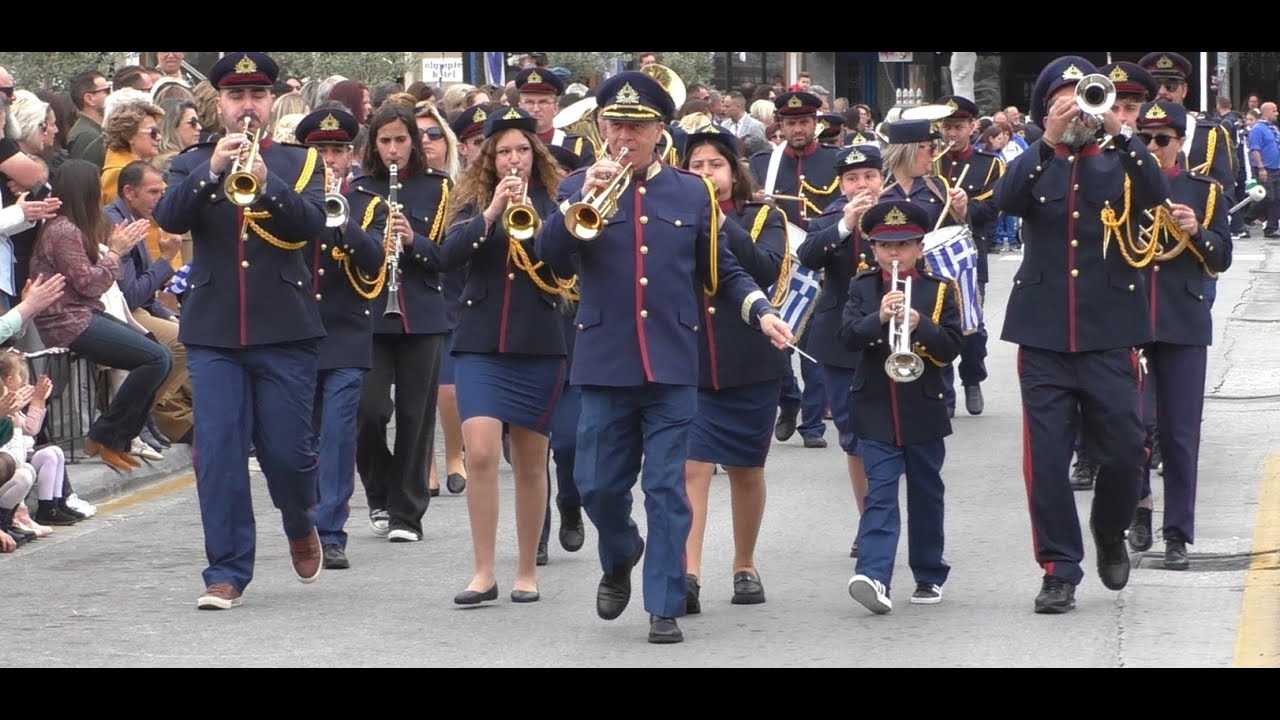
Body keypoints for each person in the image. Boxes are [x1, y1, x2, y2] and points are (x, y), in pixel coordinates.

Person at [535, 71, 795, 645]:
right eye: (617, 124)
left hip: (674, 361)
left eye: (638, 126)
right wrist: (577, 201)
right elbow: (550, 258)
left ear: (659, 131)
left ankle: (664, 602)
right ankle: (622, 548)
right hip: (604, 358)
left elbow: (721, 269)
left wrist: (758, 310)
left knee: (667, 487)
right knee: (597, 483)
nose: (626, 135)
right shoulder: (578, 184)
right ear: (602, 128)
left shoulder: (691, 191)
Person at [153, 52, 328, 610]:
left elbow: (309, 225)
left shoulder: (301, 163)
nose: (246, 106)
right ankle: (226, 571)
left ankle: (300, 520)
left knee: (288, 455)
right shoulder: (190, 163)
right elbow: (171, 219)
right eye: (236, 97)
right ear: (220, 104)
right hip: (214, 332)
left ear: (270, 101)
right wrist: (213, 174)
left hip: (285, 329)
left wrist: (265, 179)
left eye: (256, 96)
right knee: (219, 453)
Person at [994, 56, 1170, 614]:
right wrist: (1045, 142)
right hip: (1044, 333)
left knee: (1124, 450)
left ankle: (1110, 527)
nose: (1075, 107)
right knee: (1045, 463)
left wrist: (1121, 133)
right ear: (1046, 107)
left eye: (1082, 96)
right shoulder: (1035, 160)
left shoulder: (1117, 158)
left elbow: (1156, 194)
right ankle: (1058, 569)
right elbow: (1003, 203)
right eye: (1062, 99)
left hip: (1110, 330)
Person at [440, 107, 571, 604]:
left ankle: (525, 571)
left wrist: (541, 221)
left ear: (534, 153)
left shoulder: (557, 199)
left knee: (532, 462)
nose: (512, 160)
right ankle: (482, 571)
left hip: (538, 341)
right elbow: (448, 256)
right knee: (480, 454)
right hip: (480, 341)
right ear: (489, 159)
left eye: (521, 150)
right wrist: (492, 213)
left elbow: (564, 260)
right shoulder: (472, 200)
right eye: (502, 152)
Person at [680, 123, 790, 612]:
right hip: (691, 359)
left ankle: (744, 563)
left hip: (750, 357)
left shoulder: (764, 215)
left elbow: (764, 269)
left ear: (734, 170)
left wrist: (721, 221)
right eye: (697, 166)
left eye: (715, 165)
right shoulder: (675, 215)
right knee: (692, 467)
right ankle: (688, 573)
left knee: (747, 469)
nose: (707, 174)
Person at [838, 199, 962, 614]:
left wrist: (919, 324)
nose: (895, 255)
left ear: (920, 247)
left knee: (927, 493)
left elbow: (950, 349)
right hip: (874, 405)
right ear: (872, 249)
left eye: (904, 245)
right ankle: (874, 576)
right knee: (880, 494)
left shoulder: (940, 288)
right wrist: (879, 318)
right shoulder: (861, 287)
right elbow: (849, 337)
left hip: (924, 406)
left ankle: (928, 573)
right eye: (886, 247)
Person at [1124, 101, 1232, 569]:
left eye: (1162, 139)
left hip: (1183, 322)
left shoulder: (1203, 191)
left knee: (1181, 433)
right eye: (1145, 139)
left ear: (1180, 143)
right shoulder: (1123, 186)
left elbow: (1222, 256)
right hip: (1129, 320)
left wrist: (1199, 231)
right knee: (1133, 428)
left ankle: (1177, 533)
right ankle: (1141, 507)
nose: (1152, 147)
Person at [347, 103, 451, 544]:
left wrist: (414, 241)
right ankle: (380, 491)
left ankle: (407, 513)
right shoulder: (358, 190)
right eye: (385, 141)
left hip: (422, 315)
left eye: (401, 140)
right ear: (374, 144)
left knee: (415, 416)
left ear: (415, 142)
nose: (393, 150)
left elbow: (446, 256)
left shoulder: (438, 188)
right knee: (367, 411)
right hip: (371, 313)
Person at [294, 108, 384, 570]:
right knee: (299, 440)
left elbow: (374, 262)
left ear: (352, 155)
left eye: (337, 151)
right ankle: (305, 522)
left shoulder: (369, 202)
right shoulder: (291, 198)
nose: (329, 160)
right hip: (298, 330)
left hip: (347, 331)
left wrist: (342, 222)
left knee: (338, 435)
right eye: (320, 151)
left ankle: (331, 532)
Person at [796, 144, 881, 559]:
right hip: (840, 341)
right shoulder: (831, 219)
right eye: (852, 179)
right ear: (841, 185)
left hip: (891, 338)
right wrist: (846, 225)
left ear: (881, 179)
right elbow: (808, 257)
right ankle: (869, 519)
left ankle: (886, 517)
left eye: (868, 176)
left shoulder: (905, 214)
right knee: (853, 435)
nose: (861, 185)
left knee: (895, 432)